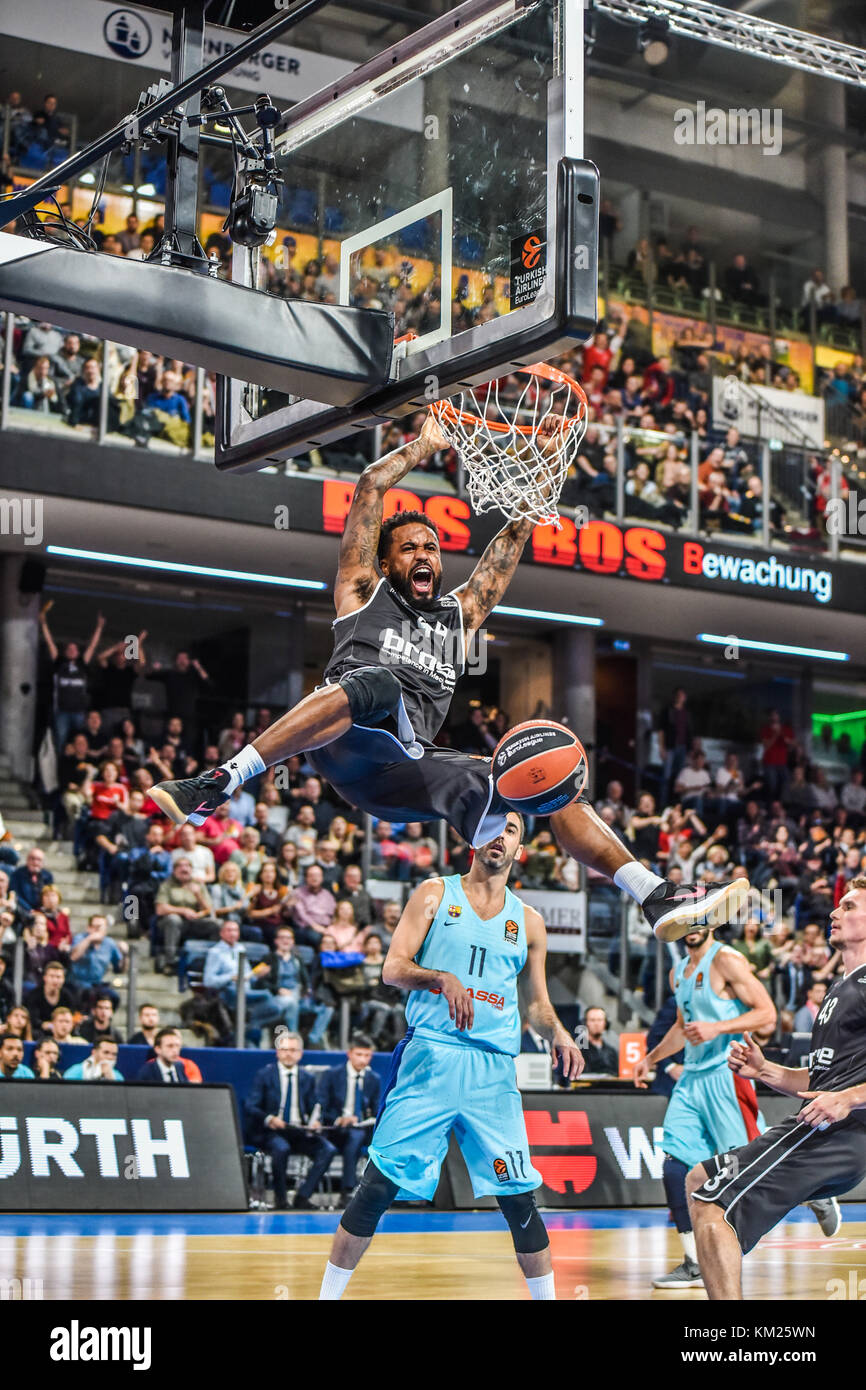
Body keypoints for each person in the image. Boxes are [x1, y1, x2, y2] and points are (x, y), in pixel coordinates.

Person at [150, 419, 747, 946]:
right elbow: (369, 489)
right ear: (386, 563)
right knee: (378, 685)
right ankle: (221, 780)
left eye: (432, 547)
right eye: (409, 547)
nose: (424, 553)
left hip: (405, 774)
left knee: (540, 771)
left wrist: (538, 483)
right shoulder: (364, 592)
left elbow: (509, 542)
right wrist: (423, 445)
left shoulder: (458, 615)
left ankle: (653, 894)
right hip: (343, 743)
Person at [317, 810, 582, 1302]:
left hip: (493, 1069)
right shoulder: (435, 893)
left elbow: (538, 1006)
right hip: (432, 1057)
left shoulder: (529, 922)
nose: (500, 837)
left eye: (511, 831)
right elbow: (392, 968)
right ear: (472, 837)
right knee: (376, 1187)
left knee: (519, 1200)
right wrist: (439, 977)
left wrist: (561, 1034)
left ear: (519, 850)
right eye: (492, 828)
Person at [686, 877, 866, 1299]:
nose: (835, 913)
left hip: (840, 1134)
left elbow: (839, 1093)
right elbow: (820, 1082)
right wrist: (765, 1069)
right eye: (838, 906)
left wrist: (849, 1098)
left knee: (713, 1205)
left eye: (850, 906)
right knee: (700, 1177)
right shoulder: (839, 988)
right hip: (825, 1126)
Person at [635, 923, 835, 1292]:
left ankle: (814, 1193)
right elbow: (682, 1026)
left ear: (709, 924)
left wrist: (718, 1027)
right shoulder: (678, 971)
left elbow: (767, 1014)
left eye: (699, 921)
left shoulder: (726, 959)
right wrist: (651, 1058)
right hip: (692, 1079)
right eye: (685, 922)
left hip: (728, 1073)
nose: (692, 929)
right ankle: (693, 1261)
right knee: (674, 1165)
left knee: (753, 1165)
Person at [245, 1031, 337, 1210]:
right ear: (278, 1052)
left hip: (298, 1131)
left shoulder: (307, 1078)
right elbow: (251, 1106)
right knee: (281, 1148)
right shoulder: (265, 1075)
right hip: (272, 1132)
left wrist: (316, 1122)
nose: (288, 1053)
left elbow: (315, 1107)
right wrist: (269, 1118)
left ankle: (303, 1196)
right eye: (284, 1049)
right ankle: (281, 1199)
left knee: (328, 1149)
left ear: (300, 1053)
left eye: (293, 1050)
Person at [579, 1006, 618, 1073]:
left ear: (606, 1024)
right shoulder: (578, 1050)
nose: (596, 1024)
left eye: (600, 1020)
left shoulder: (612, 1051)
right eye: (592, 1020)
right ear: (585, 1023)